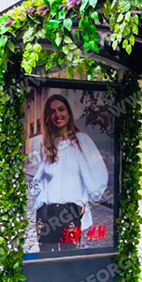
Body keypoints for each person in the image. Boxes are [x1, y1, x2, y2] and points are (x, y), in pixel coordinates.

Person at [31, 94, 108, 252]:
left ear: (68, 112)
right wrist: (37, 191)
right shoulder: (49, 144)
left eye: (61, 109)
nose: (57, 115)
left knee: (69, 257)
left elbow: (96, 174)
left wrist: (83, 201)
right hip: (45, 213)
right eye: (52, 111)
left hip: (70, 212)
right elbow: (42, 177)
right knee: (46, 258)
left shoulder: (81, 141)